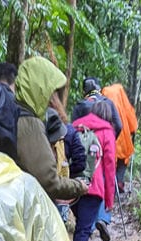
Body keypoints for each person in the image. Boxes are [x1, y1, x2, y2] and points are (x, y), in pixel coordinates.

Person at [14, 56, 87, 204]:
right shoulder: (29, 124)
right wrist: (79, 186)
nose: (51, 100)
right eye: (50, 92)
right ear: (40, 89)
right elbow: (49, 181)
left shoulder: (11, 112)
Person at [69, 101, 116, 241]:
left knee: (75, 228)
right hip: (93, 187)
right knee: (83, 230)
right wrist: (109, 199)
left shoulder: (75, 126)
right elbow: (110, 166)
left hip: (70, 184)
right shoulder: (107, 131)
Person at [102, 82, 138, 192]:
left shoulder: (104, 93)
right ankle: (119, 182)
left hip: (106, 135)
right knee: (123, 157)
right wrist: (133, 128)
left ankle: (109, 184)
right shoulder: (120, 93)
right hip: (122, 135)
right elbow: (129, 114)